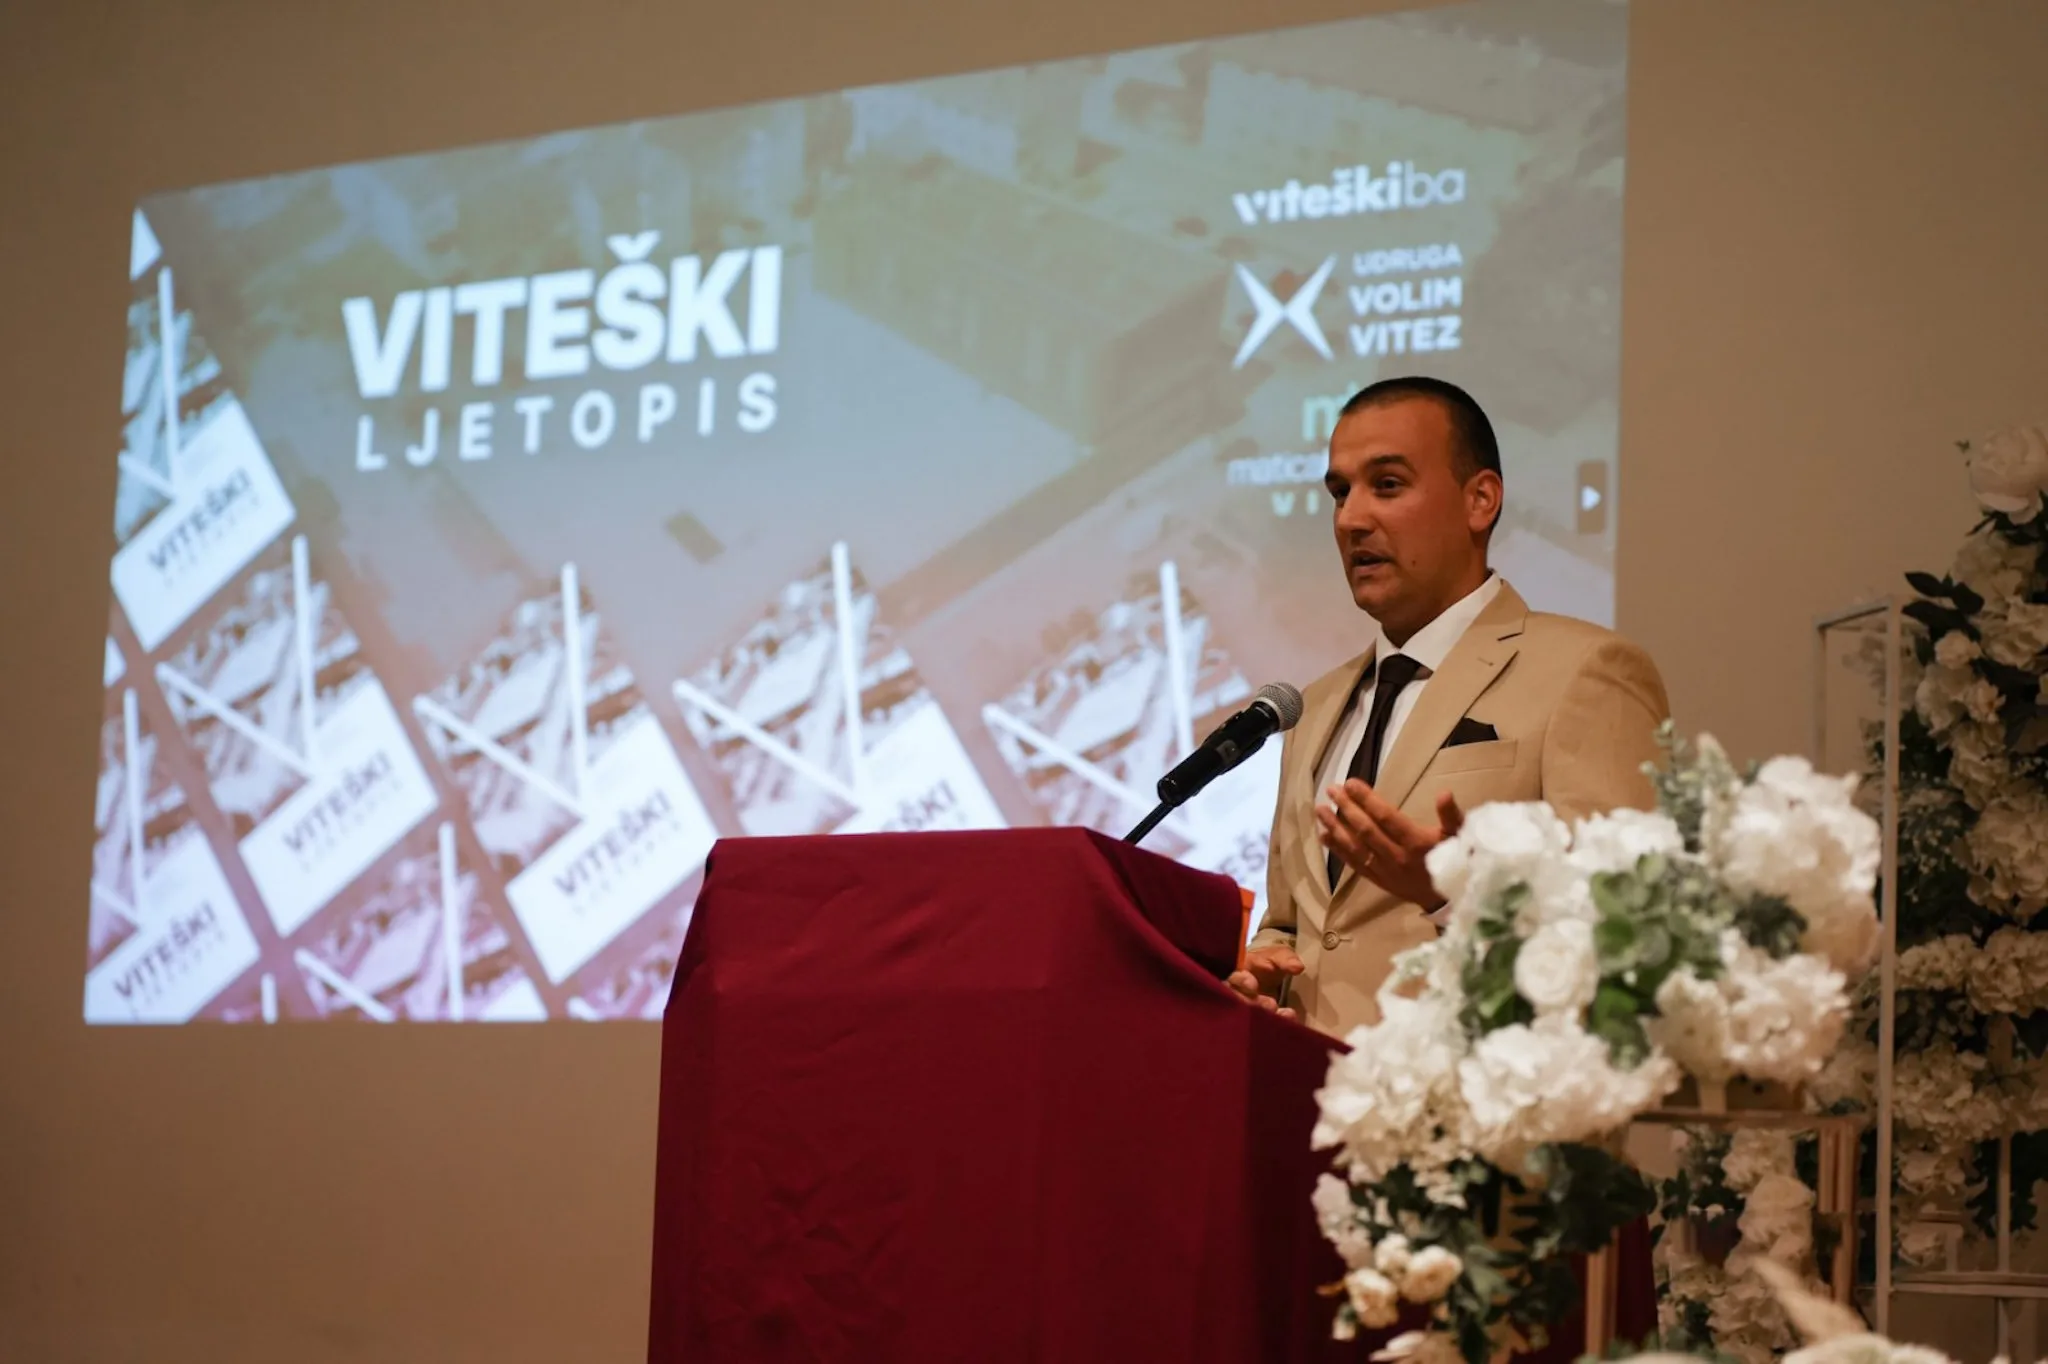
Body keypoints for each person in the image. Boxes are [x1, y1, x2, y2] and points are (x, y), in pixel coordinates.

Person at [1228, 376, 1669, 1038]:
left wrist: (1450, 893)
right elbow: (1295, 924)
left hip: (1477, 1093)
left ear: (1480, 500)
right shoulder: (1313, 708)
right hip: (1308, 1096)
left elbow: (1633, 934)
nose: (1350, 519)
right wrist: (1260, 971)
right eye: (1340, 492)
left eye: (1387, 485)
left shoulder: (1586, 671)